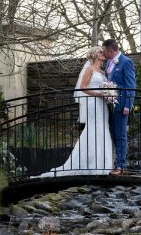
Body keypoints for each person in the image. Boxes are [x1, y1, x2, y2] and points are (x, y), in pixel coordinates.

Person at [36, 46, 113, 177]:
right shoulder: (89, 69)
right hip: (93, 103)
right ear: (94, 55)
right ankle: (91, 165)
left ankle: (102, 164)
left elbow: (105, 87)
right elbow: (82, 88)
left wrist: (109, 93)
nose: (103, 53)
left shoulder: (102, 72)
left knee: (102, 130)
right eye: (100, 52)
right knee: (94, 130)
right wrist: (100, 94)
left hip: (102, 104)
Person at [102, 39, 136, 176]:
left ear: (111, 50)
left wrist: (128, 104)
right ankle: (117, 163)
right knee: (113, 134)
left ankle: (121, 166)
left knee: (120, 135)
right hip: (110, 105)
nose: (103, 53)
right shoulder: (109, 62)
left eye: (105, 50)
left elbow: (130, 85)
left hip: (122, 105)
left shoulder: (126, 62)